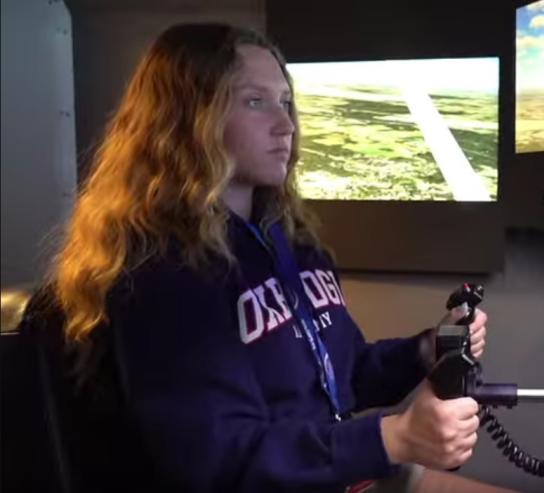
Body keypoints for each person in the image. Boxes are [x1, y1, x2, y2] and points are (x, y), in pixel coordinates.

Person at [43, 22, 512, 493]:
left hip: (332, 473)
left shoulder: (293, 242)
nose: (286, 125)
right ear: (192, 117)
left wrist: (424, 350)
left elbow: (343, 375)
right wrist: (394, 438)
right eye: (255, 101)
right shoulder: (161, 274)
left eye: (285, 102)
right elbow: (218, 459)